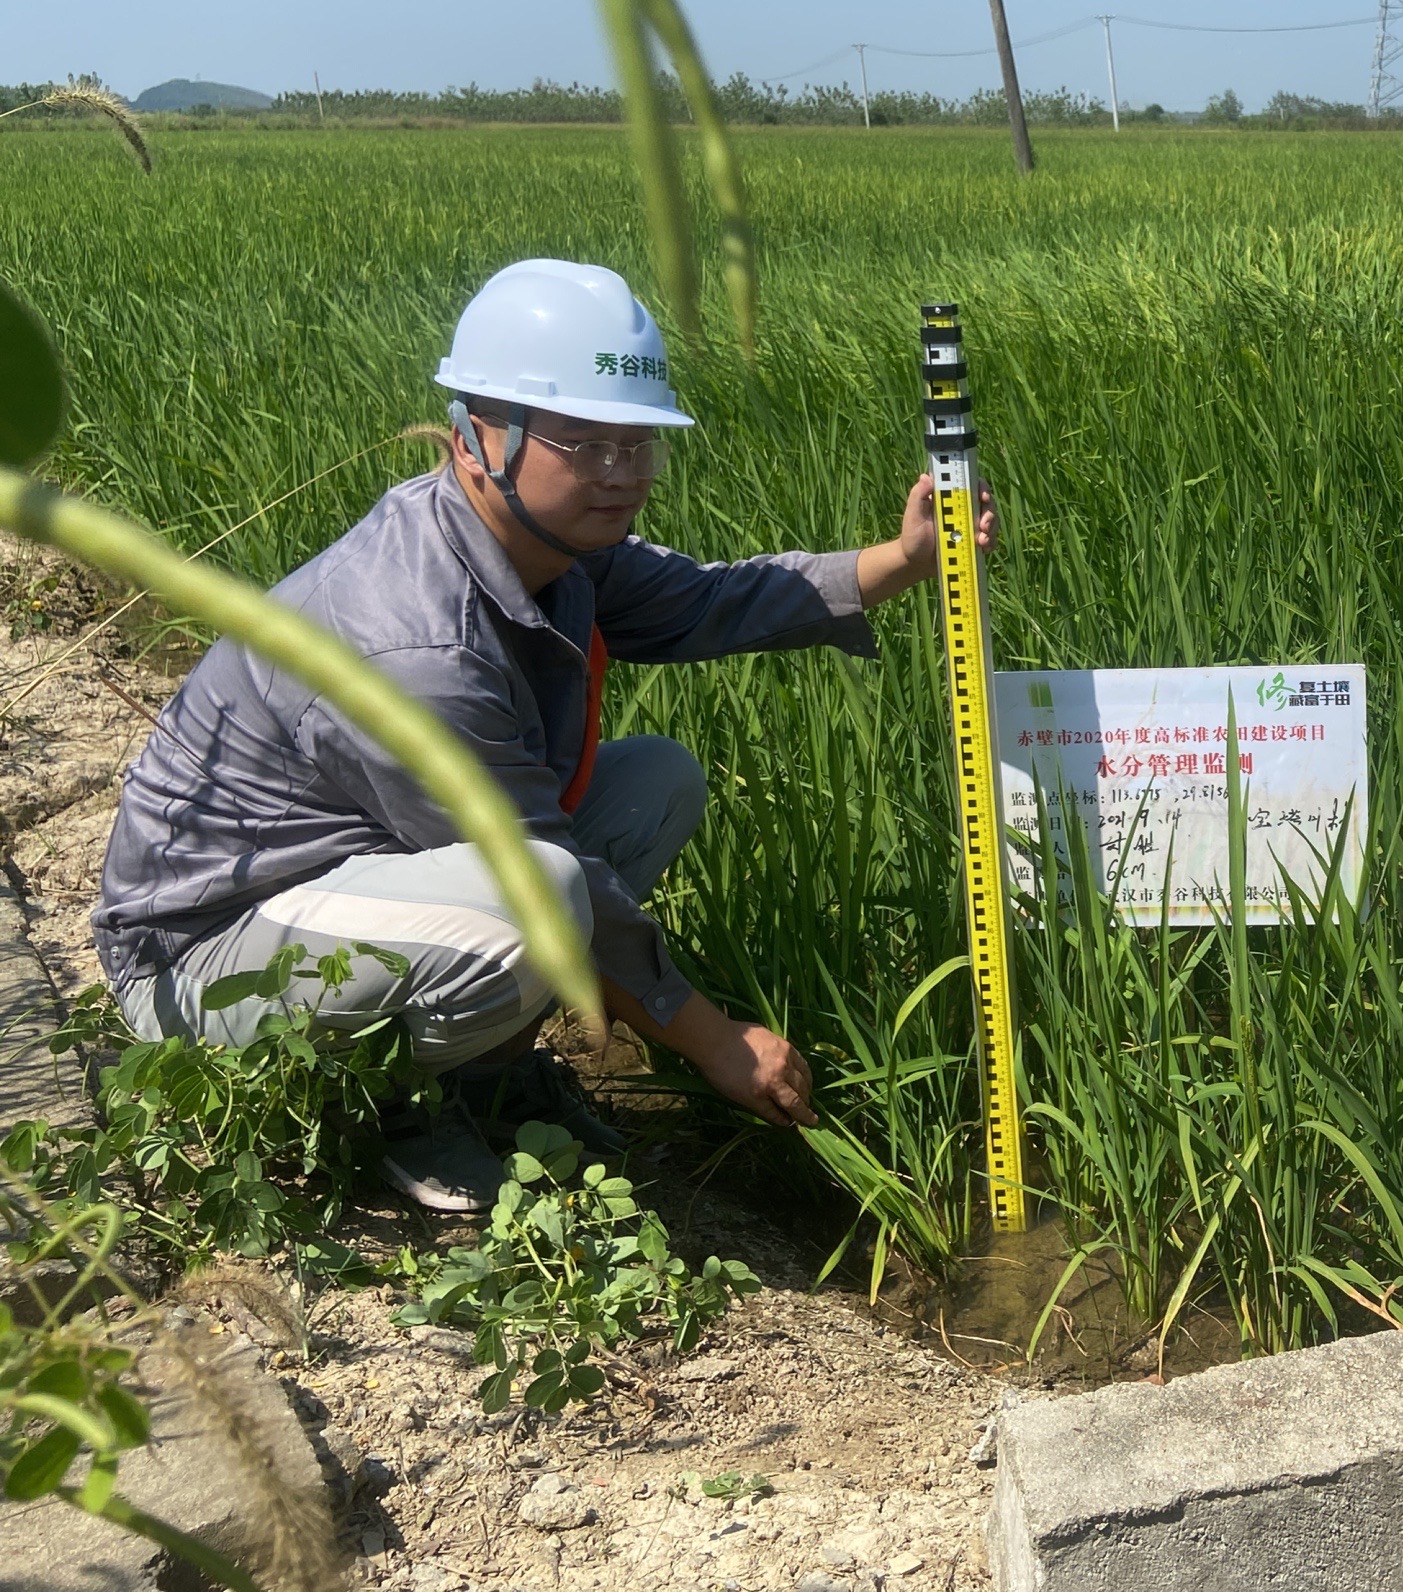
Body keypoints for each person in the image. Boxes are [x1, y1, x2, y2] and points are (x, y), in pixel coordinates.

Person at [90, 259, 993, 1211]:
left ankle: (481, 1068)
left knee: (657, 781)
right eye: (585, 444)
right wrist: (718, 1040)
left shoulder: (552, 548)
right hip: (203, 969)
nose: (623, 474)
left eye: (639, 444)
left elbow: (709, 600)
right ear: (477, 440)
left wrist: (901, 561)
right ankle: (396, 1110)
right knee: (546, 889)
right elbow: (540, 864)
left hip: (355, 889)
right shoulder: (410, 642)